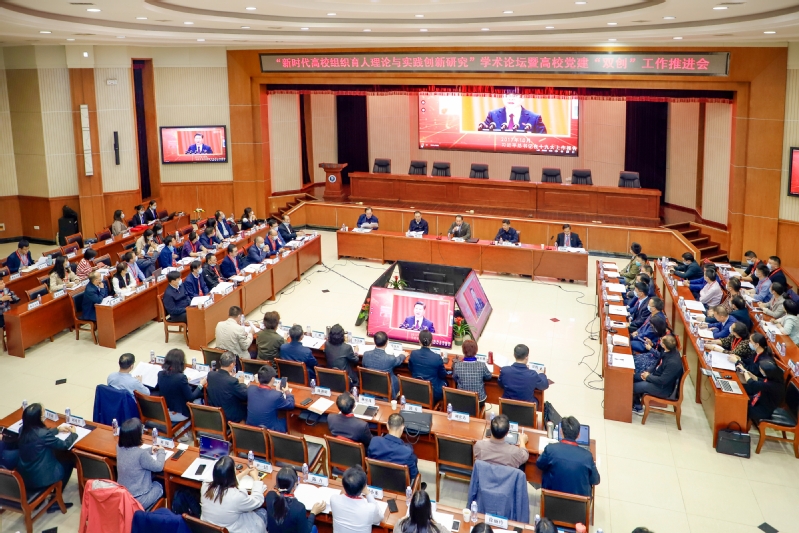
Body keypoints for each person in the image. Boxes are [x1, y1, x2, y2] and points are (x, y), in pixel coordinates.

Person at [16, 403, 77, 510]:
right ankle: (55, 501)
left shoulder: (22, 430)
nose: (44, 415)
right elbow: (64, 445)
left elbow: (39, 434)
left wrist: (57, 429)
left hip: (25, 474)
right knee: (69, 461)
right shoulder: (43, 434)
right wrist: (73, 434)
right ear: (38, 418)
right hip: (41, 477)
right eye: (43, 413)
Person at [536, 416, 599, 497]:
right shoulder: (587, 456)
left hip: (551, 500)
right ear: (578, 435)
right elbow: (596, 480)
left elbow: (539, 464)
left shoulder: (550, 449)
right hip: (578, 504)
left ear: (561, 431)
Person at [201, 456, 267, 533]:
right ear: (233, 473)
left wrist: (244, 472)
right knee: (263, 512)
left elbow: (225, 480)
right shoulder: (236, 496)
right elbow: (258, 500)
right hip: (233, 530)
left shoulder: (205, 486)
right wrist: (256, 478)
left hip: (210, 529)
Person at [116, 418, 165, 509]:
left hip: (123, 497)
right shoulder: (141, 454)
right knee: (161, 484)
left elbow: (133, 453)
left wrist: (150, 450)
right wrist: (161, 451)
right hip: (139, 500)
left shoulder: (119, 447)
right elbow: (159, 467)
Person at [632, 335, 684, 414]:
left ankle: (638, 408)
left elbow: (663, 381)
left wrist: (648, 377)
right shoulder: (668, 350)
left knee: (632, 387)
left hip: (662, 388)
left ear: (664, 345)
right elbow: (657, 363)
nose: (660, 340)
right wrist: (648, 372)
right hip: (655, 377)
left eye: (661, 340)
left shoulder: (673, 363)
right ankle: (635, 401)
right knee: (632, 377)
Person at [266, 467, 325, 533]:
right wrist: (313, 513)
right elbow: (306, 531)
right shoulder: (299, 508)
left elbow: (273, 493)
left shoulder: (269, 497)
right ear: (294, 485)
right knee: (314, 528)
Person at [329, 466, 383, 533]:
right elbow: (380, 517)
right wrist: (367, 493)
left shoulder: (334, 499)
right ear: (364, 487)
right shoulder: (370, 509)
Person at [157, 348, 205, 421]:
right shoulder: (181, 378)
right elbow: (191, 397)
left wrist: (184, 382)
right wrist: (201, 385)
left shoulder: (160, 374)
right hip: (180, 413)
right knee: (202, 400)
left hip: (165, 411)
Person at [367, 414, 419, 481]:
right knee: (414, 458)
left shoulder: (374, 441)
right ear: (402, 428)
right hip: (399, 485)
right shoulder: (407, 452)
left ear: (387, 426)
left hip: (376, 480)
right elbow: (413, 475)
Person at [247, 364, 294, 432]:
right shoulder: (276, 395)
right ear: (272, 379)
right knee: (290, 419)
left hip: (250, 427)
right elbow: (291, 405)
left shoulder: (250, 389)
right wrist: (287, 391)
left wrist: (276, 392)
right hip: (270, 430)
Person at [207, 352, 249, 423]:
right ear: (232, 364)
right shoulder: (232, 381)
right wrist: (242, 383)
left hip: (214, 413)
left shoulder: (210, 375)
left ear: (220, 362)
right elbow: (245, 395)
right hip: (228, 417)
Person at [408, 330, 447, 404]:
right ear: (431, 342)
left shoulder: (413, 354)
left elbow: (410, 368)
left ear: (419, 341)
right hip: (432, 393)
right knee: (446, 382)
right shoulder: (437, 357)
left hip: (415, 389)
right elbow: (443, 375)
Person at [741, 359, 785, 425]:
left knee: (740, 408)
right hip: (759, 401)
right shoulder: (773, 379)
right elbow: (759, 380)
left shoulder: (772, 385)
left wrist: (745, 372)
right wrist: (749, 373)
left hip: (764, 411)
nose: (760, 370)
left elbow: (752, 384)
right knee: (740, 401)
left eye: (761, 370)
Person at [362, 331, 405, 399]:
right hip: (386, 389)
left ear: (374, 341)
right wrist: (403, 355)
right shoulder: (390, 359)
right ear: (387, 342)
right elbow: (398, 360)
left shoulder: (366, 355)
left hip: (369, 386)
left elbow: (363, 366)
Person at [452, 339, 492, 407]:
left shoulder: (457, 365)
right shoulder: (481, 365)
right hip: (479, 400)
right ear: (476, 351)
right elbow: (489, 377)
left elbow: (454, 378)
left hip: (462, 399)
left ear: (463, 351)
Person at [481, 92, 547, 133]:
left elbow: (543, 141)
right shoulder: (493, 115)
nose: (510, 98)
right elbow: (483, 137)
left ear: (522, 97)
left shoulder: (534, 118)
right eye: (507, 95)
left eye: (515, 95)